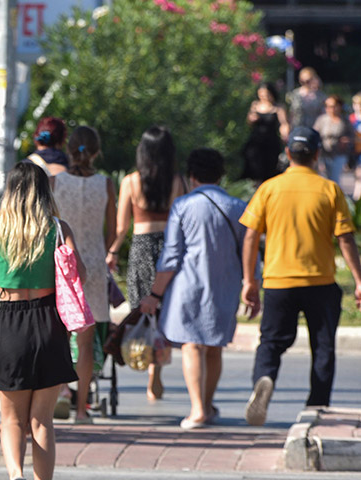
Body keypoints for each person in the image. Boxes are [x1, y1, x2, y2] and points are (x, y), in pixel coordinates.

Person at [239, 127, 361, 426]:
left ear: (287, 154)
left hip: (278, 282)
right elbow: (345, 238)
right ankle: (317, 406)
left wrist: (250, 281)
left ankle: (264, 379)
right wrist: (359, 281)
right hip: (320, 282)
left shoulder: (269, 189)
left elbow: (250, 237)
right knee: (323, 346)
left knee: (271, 342)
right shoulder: (330, 190)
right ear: (316, 155)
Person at [0, 162, 79, 480]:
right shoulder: (57, 229)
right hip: (50, 322)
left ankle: (15, 473)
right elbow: (73, 276)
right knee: (43, 422)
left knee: (11, 418)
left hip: (11, 321)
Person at [138, 149, 248, 430]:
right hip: (225, 286)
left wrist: (154, 294)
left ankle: (198, 410)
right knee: (214, 347)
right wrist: (251, 284)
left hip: (189, 287)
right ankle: (207, 406)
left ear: (191, 177)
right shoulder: (238, 206)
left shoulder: (183, 206)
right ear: (221, 175)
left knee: (192, 345)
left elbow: (172, 256)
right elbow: (248, 252)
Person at [108, 125, 185, 401]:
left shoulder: (130, 181)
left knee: (143, 310)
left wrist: (113, 252)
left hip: (141, 249)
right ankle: (157, 371)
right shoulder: (178, 182)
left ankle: (148, 361)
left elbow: (121, 227)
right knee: (164, 313)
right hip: (168, 248)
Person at [51, 125, 115, 424]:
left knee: (60, 334)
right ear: (96, 151)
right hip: (93, 263)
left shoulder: (55, 182)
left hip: (62, 261)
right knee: (87, 341)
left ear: (68, 149)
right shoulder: (105, 184)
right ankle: (80, 408)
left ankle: (60, 391)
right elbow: (113, 231)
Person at [242, 82, 288, 183]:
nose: (264, 97)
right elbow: (249, 121)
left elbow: (283, 124)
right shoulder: (255, 105)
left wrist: (285, 134)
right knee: (255, 168)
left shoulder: (278, 108)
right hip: (256, 142)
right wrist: (252, 118)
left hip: (271, 142)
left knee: (271, 168)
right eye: (261, 94)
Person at [313, 95, 353, 187]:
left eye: (333, 106)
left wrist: (346, 140)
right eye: (327, 106)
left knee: (334, 180)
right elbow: (314, 134)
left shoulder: (344, 121)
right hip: (324, 154)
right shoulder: (322, 120)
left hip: (339, 153)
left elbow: (352, 135)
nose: (330, 109)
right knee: (324, 179)